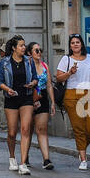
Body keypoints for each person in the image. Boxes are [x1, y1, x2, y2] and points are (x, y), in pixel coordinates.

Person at [56, 34, 90, 170]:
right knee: (79, 128)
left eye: (78, 42)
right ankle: (83, 159)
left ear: (82, 44)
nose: (75, 44)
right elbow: (58, 78)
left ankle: (81, 147)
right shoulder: (66, 59)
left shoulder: (89, 59)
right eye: (72, 43)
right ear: (70, 46)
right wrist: (70, 72)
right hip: (72, 94)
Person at [0, 36, 37, 175]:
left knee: (25, 129)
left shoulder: (29, 61)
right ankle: (12, 157)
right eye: (21, 46)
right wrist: (7, 89)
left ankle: (23, 163)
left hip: (26, 97)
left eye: (24, 45)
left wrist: (33, 83)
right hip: (11, 98)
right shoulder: (4, 62)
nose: (24, 48)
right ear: (14, 48)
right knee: (12, 132)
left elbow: (36, 78)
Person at [29, 42, 55, 170]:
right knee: (27, 129)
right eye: (36, 50)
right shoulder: (27, 65)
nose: (39, 52)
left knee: (42, 129)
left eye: (40, 50)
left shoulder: (45, 66)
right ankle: (25, 157)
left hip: (43, 97)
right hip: (29, 98)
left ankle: (46, 159)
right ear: (30, 53)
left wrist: (53, 102)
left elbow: (49, 85)